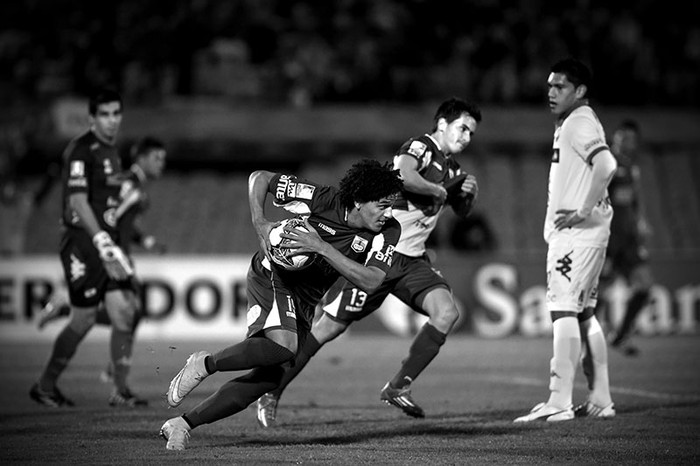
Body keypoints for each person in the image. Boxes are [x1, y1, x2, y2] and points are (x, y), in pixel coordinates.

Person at [255, 97, 481, 426]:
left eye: (472, 134)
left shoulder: (455, 171)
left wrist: (467, 195)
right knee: (327, 329)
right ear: (443, 124)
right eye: (462, 128)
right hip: (379, 254)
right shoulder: (422, 146)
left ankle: (398, 386)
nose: (466, 137)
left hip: (413, 260)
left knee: (446, 312)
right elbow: (403, 174)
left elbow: (459, 210)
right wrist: (440, 190)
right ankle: (272, 391)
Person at [159, 159, 404, 451]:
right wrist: (259, 222)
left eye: (392, 206)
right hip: (274, 275)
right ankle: (205, 363)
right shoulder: (322, 198)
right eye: (383, 205)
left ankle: (182, 424)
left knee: (271, 378)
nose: (388, 213)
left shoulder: (388, 231)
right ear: (360, 200)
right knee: (284, 347)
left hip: (306, 298)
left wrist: (320, 247)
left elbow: (372, 280)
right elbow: (260, 178)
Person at [514, 58, 617, 423]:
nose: (551, 92)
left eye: (560, 87)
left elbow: (607, 165)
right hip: (587, 234)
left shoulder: (578, 122)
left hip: (575, 236)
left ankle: (558, 400)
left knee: (562, 311)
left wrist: (582, 210)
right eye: (549, 86)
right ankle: (601, 398)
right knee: (585, 312)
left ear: (580, 91)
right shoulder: (574, 122)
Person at [29, 89, 144, 408]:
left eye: (116, 114)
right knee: (84, 319)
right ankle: (45, 386)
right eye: (104, 114)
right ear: (92, 118)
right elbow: (78, 200)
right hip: (83, 241)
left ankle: (120, 391)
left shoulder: (111, 152)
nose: (111, 120)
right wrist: (101, 240)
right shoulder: (82, 150)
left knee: (124, 313)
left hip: (102, 243)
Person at [36, 136, 168, 333]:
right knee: (129, 315)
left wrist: (145, 240)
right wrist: (104, 249)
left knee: (130, 317)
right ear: (141, 158)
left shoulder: (133, 186)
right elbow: (105, 216)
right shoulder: (129, 186)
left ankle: (66, 310)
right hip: (110, 255)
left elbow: (119, 221)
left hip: (111, 252)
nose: (162, 164)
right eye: (157, 158)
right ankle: (66, 309)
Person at [601, 120, 653, 356]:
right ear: (617, 137)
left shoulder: (631, 167)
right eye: (624, 137)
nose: (628, 142)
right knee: (598, 291)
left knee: (644, 286)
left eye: (632, 139)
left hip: (629, 239)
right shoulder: (605, 162)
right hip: (608, 239)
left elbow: (635, 199)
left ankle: (620, 336)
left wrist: (641, 221)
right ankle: (587, 339)